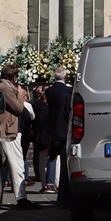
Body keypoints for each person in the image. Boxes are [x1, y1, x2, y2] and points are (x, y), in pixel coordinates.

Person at [0, 66, 37, 210]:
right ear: (13, 77)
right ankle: (21, 198)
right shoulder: (5, 89)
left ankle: (20, 197)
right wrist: (19, 93)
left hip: (9, 129)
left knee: (13, 165)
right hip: (8, 131)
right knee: (17, 165)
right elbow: (19, 108)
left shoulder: (3, 87)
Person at [44, 66, 73, 205]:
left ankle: (52, 184)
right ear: (65, 77)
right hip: (65, 128)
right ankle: (64, 197)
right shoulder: (69, 91)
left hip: (54, 128)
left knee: (54, 158)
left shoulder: (49, 91)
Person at [29, 84, 49, 190]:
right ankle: (49, 182)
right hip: (44, 136)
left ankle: (44, 182)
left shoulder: (36, 105)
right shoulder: (39, 105)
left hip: (40, 135)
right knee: (45, 160)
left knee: (42, 161)